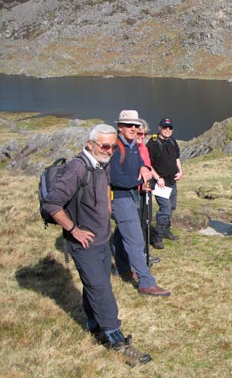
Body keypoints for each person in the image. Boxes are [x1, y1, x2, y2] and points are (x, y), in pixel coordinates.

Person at [42, 124, 152, 365]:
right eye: (105, 145)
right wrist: (74, 230)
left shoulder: (102, 165)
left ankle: (94, 326)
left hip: (102, 239)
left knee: (94, 285)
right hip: (84, 244)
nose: (110, 150)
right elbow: (52, 205)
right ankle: (118, 341)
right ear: (90, 143)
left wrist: (109, 211)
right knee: (102, 289)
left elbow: (106, 190)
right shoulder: (77, 169)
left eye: (113, 146)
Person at [110, 110, 171, 297]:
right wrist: (138, 181)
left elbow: (140, 163)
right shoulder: (115, 147)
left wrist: (144, 170)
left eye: (135, 126)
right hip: (118, 197)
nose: (133, 129)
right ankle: (146, 282)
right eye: (129, 125)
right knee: (136, 240)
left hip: (130, 196)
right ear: (119, 126)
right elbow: (114, 178)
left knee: (123, 234)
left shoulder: (133, 145)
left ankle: (123, 268)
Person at [146, 117, 183, 246]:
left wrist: (180, 171)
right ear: (159, 128)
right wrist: (157, 178)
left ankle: (166, 231)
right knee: (165, 209)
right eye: (164, 127)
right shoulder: (153, 143)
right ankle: (158, 237)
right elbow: (148, 164)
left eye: (170, 128)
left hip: (172, 181)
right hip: (160, 184)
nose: (167, 130)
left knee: (171, 208)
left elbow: (177, 157)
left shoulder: (173, 141)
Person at [136, 120, 162, 262]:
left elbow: (149, 167)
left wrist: (157, 178)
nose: (143, 136)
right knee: (135, 225)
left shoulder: (144, 148)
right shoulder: (131, 149)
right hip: (135, 192)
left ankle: (145, 254)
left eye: (145, 133)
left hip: (146, 191)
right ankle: (134, 257)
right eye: (140, 133)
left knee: (145, 222)